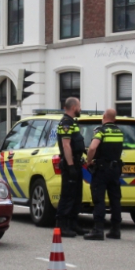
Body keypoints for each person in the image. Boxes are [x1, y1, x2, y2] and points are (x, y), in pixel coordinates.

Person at [84, 109, 124, 241]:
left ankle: (98, 230)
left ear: (104, 117)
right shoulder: (119, 132)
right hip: (115, 169)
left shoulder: (101, 131)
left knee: (99, 199)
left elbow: (92, 148)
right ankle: (115, 229)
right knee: (115, 199)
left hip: (102, 169)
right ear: (114, 118)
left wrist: (89, 161)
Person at [56, 97, 87, 237]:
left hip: (76, 162)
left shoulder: (73, 123)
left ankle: (73, 224)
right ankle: (62, 226)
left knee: (76, 196)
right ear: (74, 107)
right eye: (79, 106)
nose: (80, 109)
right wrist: (70, 166)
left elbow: (77, 143)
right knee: (68, 196)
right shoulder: (66, 123)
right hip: (70, 164)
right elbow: (66, 145)